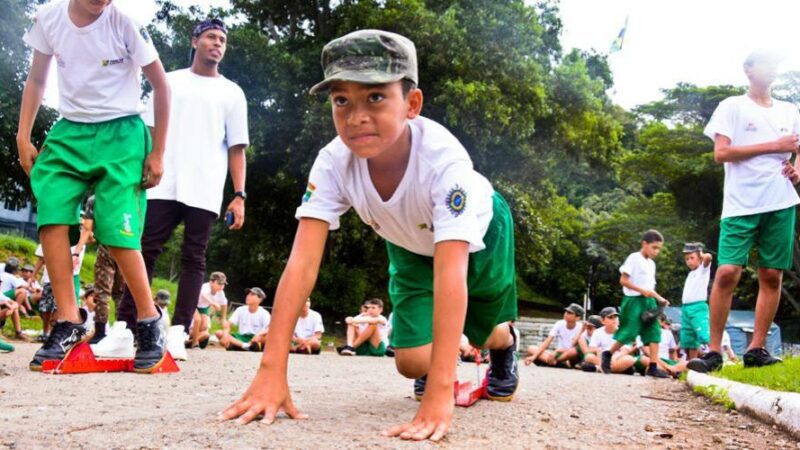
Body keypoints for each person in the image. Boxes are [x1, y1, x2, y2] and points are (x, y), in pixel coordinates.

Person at [220, 30, 519, 441]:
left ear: (412, 103)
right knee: (411, 363)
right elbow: (302, 262)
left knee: (480, 331)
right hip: (408, 242)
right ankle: (438, 362)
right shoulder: (332, 163)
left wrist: (439, 395)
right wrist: (271, 371)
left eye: (375, 97)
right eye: (342, 100)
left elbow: (451, 275)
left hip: (478, 237)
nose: (356, 115)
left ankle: (504, 342)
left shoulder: (446, 165)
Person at [18, 0, 171, 372]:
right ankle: (69, 321)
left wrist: (158, 152)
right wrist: (24, 135)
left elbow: (162, 86)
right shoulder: (50, 18)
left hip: (121, 132)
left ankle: (150, 322)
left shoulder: (125, 24)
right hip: (71, 129)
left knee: (113, 227)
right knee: (52, 212)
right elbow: (38, 78)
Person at [117, 18, 249, 348]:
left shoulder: (232, 92)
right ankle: (126, 327)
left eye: (222, 39)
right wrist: (138, 173)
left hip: (205, 186)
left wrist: (239, 194)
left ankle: (177, 332)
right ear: (195, 41)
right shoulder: (169, 82)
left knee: (195, 257)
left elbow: (237, 148)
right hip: (162, 179)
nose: (217, 43)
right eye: (210, 37)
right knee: (143, 250)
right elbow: (146, 132)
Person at [689, 50, 800, 372]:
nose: (773, 69)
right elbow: (721, 153)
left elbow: (797, 149)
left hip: (780, 201)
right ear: (748, 70)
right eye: (767, 62)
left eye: (776, 63)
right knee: (727, 273)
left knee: (771, 274)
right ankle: (713, 351)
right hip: (740, 204)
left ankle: (756, 349)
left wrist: (796, 169)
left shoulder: (790, 109)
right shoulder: (732, 106)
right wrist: (773, 146)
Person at [600, 230, 670, 378]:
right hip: (633, 300)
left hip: (649, 301)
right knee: (631, 331)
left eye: (659, 248)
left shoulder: (651, 264)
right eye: (654, 247)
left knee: (654, 332)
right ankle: (608, 353)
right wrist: (640, 290)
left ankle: (652, 366)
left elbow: (650, 288)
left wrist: (660, 298)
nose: (656, 251)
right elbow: (623, 280)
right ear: (644, 244)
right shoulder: (634, 258)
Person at [82, 195, 126, 343]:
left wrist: (79, 247)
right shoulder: (127, 195)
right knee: (121, 293)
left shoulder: (94, 199)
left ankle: (100, 333)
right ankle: (123, 330)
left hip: (106, 246)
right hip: (127, 247)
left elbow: (88, 228)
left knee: (102, 292)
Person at [680, 243, 713, 361]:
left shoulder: (702, 270)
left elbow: (708, 257)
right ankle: (691, 363)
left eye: (692, 258)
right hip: (686, 308)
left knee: (703, 334)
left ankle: (716, 354)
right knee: (689, 338)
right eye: (687, 259)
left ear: (699, 258)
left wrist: (701, 253)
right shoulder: (690, 273)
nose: (689, 261)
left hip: (698, 307)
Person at [523, 303, 584, 367]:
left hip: (569, 354)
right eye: (566, 312)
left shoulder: (581, 327)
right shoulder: (559, 323)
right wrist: (534, 356)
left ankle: (550, 362)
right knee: (531, 349)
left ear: (577, 318)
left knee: (573, 352)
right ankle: (556, 363)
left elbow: (577, 348)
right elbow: (548, 340)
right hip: (557, 354)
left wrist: (558, 350)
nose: (566, 314)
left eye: (570, 313)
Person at [189, 272, 228, 348]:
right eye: (219, 284)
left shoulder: (220, 292)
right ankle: (194, 343)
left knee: (204, 329)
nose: (221, 286)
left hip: (203, 308)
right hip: (193, 305)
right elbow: (204, 294)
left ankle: (189, 341)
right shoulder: (205, 287)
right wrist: (214, 303)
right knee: (197, 320)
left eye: (223, 284)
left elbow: (225, 304)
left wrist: (224, 318)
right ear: (211, 282)